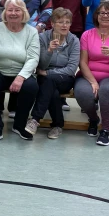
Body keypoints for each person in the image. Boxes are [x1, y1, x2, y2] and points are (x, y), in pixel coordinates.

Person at [0, 0, 40, 144]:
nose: (13, 13)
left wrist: (20, 77)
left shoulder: (31, 32)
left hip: (21, 72)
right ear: (5, 12)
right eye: (10, 10)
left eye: (17, 10)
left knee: (31, 86)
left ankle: (19, 125)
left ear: (23, 12)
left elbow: (33, 58)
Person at [74, 3, 109, 146]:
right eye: (102, 13)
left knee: (107, 90)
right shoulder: (87, 35)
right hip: (88, 74)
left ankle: (105, 130)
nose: (105, 16)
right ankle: (93, 119)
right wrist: (92, 81)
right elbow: (83, 62)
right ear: (96, 16)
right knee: (82, 92)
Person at [24, 8, 80, 139]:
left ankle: (35, 119)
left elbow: (71, 69)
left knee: (49, 81)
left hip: (64, 78)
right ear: (53, 24)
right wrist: (49, 50)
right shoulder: (42, 38)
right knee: (52, 91)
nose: (65, 25)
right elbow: (40, 64)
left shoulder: (74, 41)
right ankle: (57, 125)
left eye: (67, 22)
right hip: (45, 79)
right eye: (60, 22)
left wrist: (48, 72)